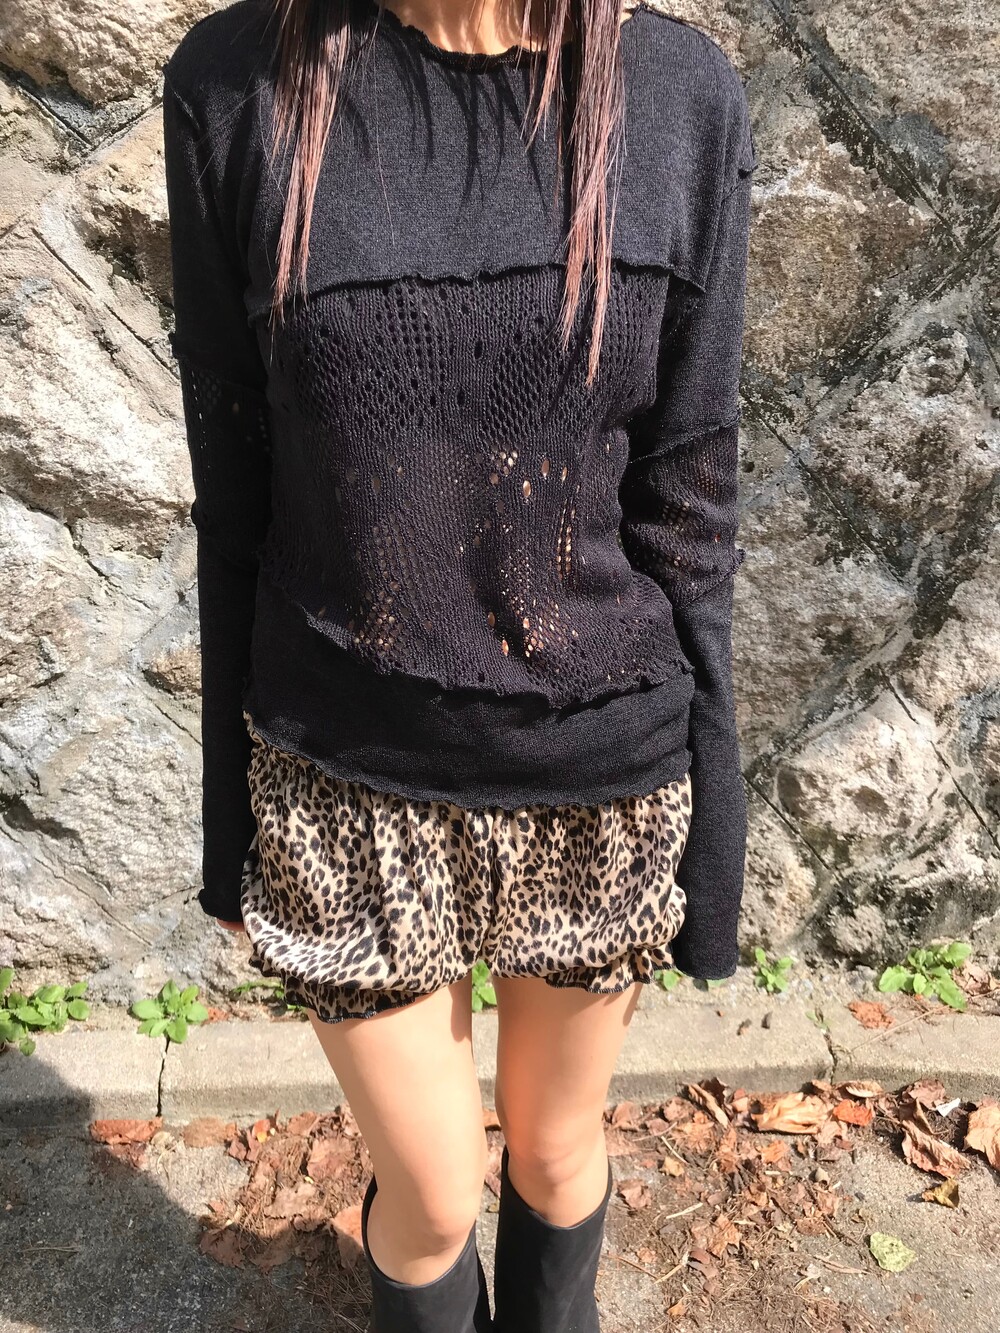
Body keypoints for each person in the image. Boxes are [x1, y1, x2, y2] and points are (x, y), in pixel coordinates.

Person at [160, 1, 756, 1328]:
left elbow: (689, 498)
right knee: (429, 1198)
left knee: (553, 1151)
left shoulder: (676, 97)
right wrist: (227, 820)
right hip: (344, 779)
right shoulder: (240, 88)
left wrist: (716, 824)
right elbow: (233, 490)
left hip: (598, 775)